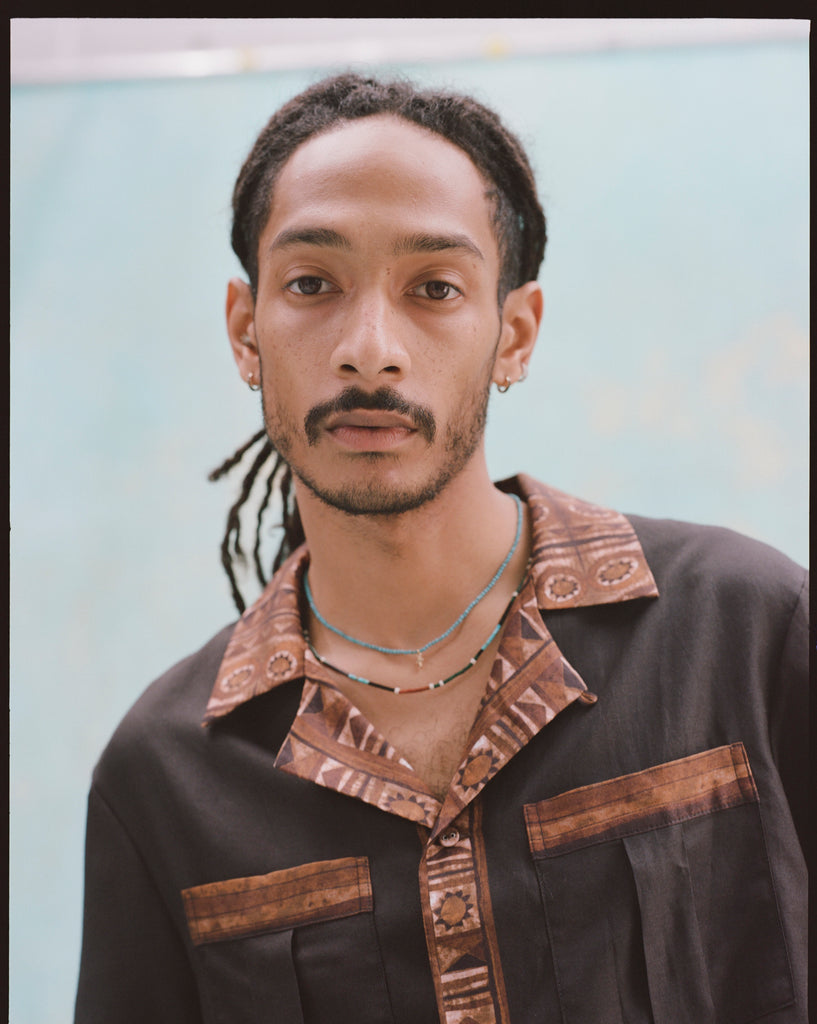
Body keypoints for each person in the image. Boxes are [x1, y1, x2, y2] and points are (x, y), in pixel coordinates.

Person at [74, 72, 807, 1024]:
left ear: (513, 334)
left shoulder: (744, 628)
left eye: (433, 288)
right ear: (244, 330)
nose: (369, 348)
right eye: (311, 284)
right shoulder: (164, 775)